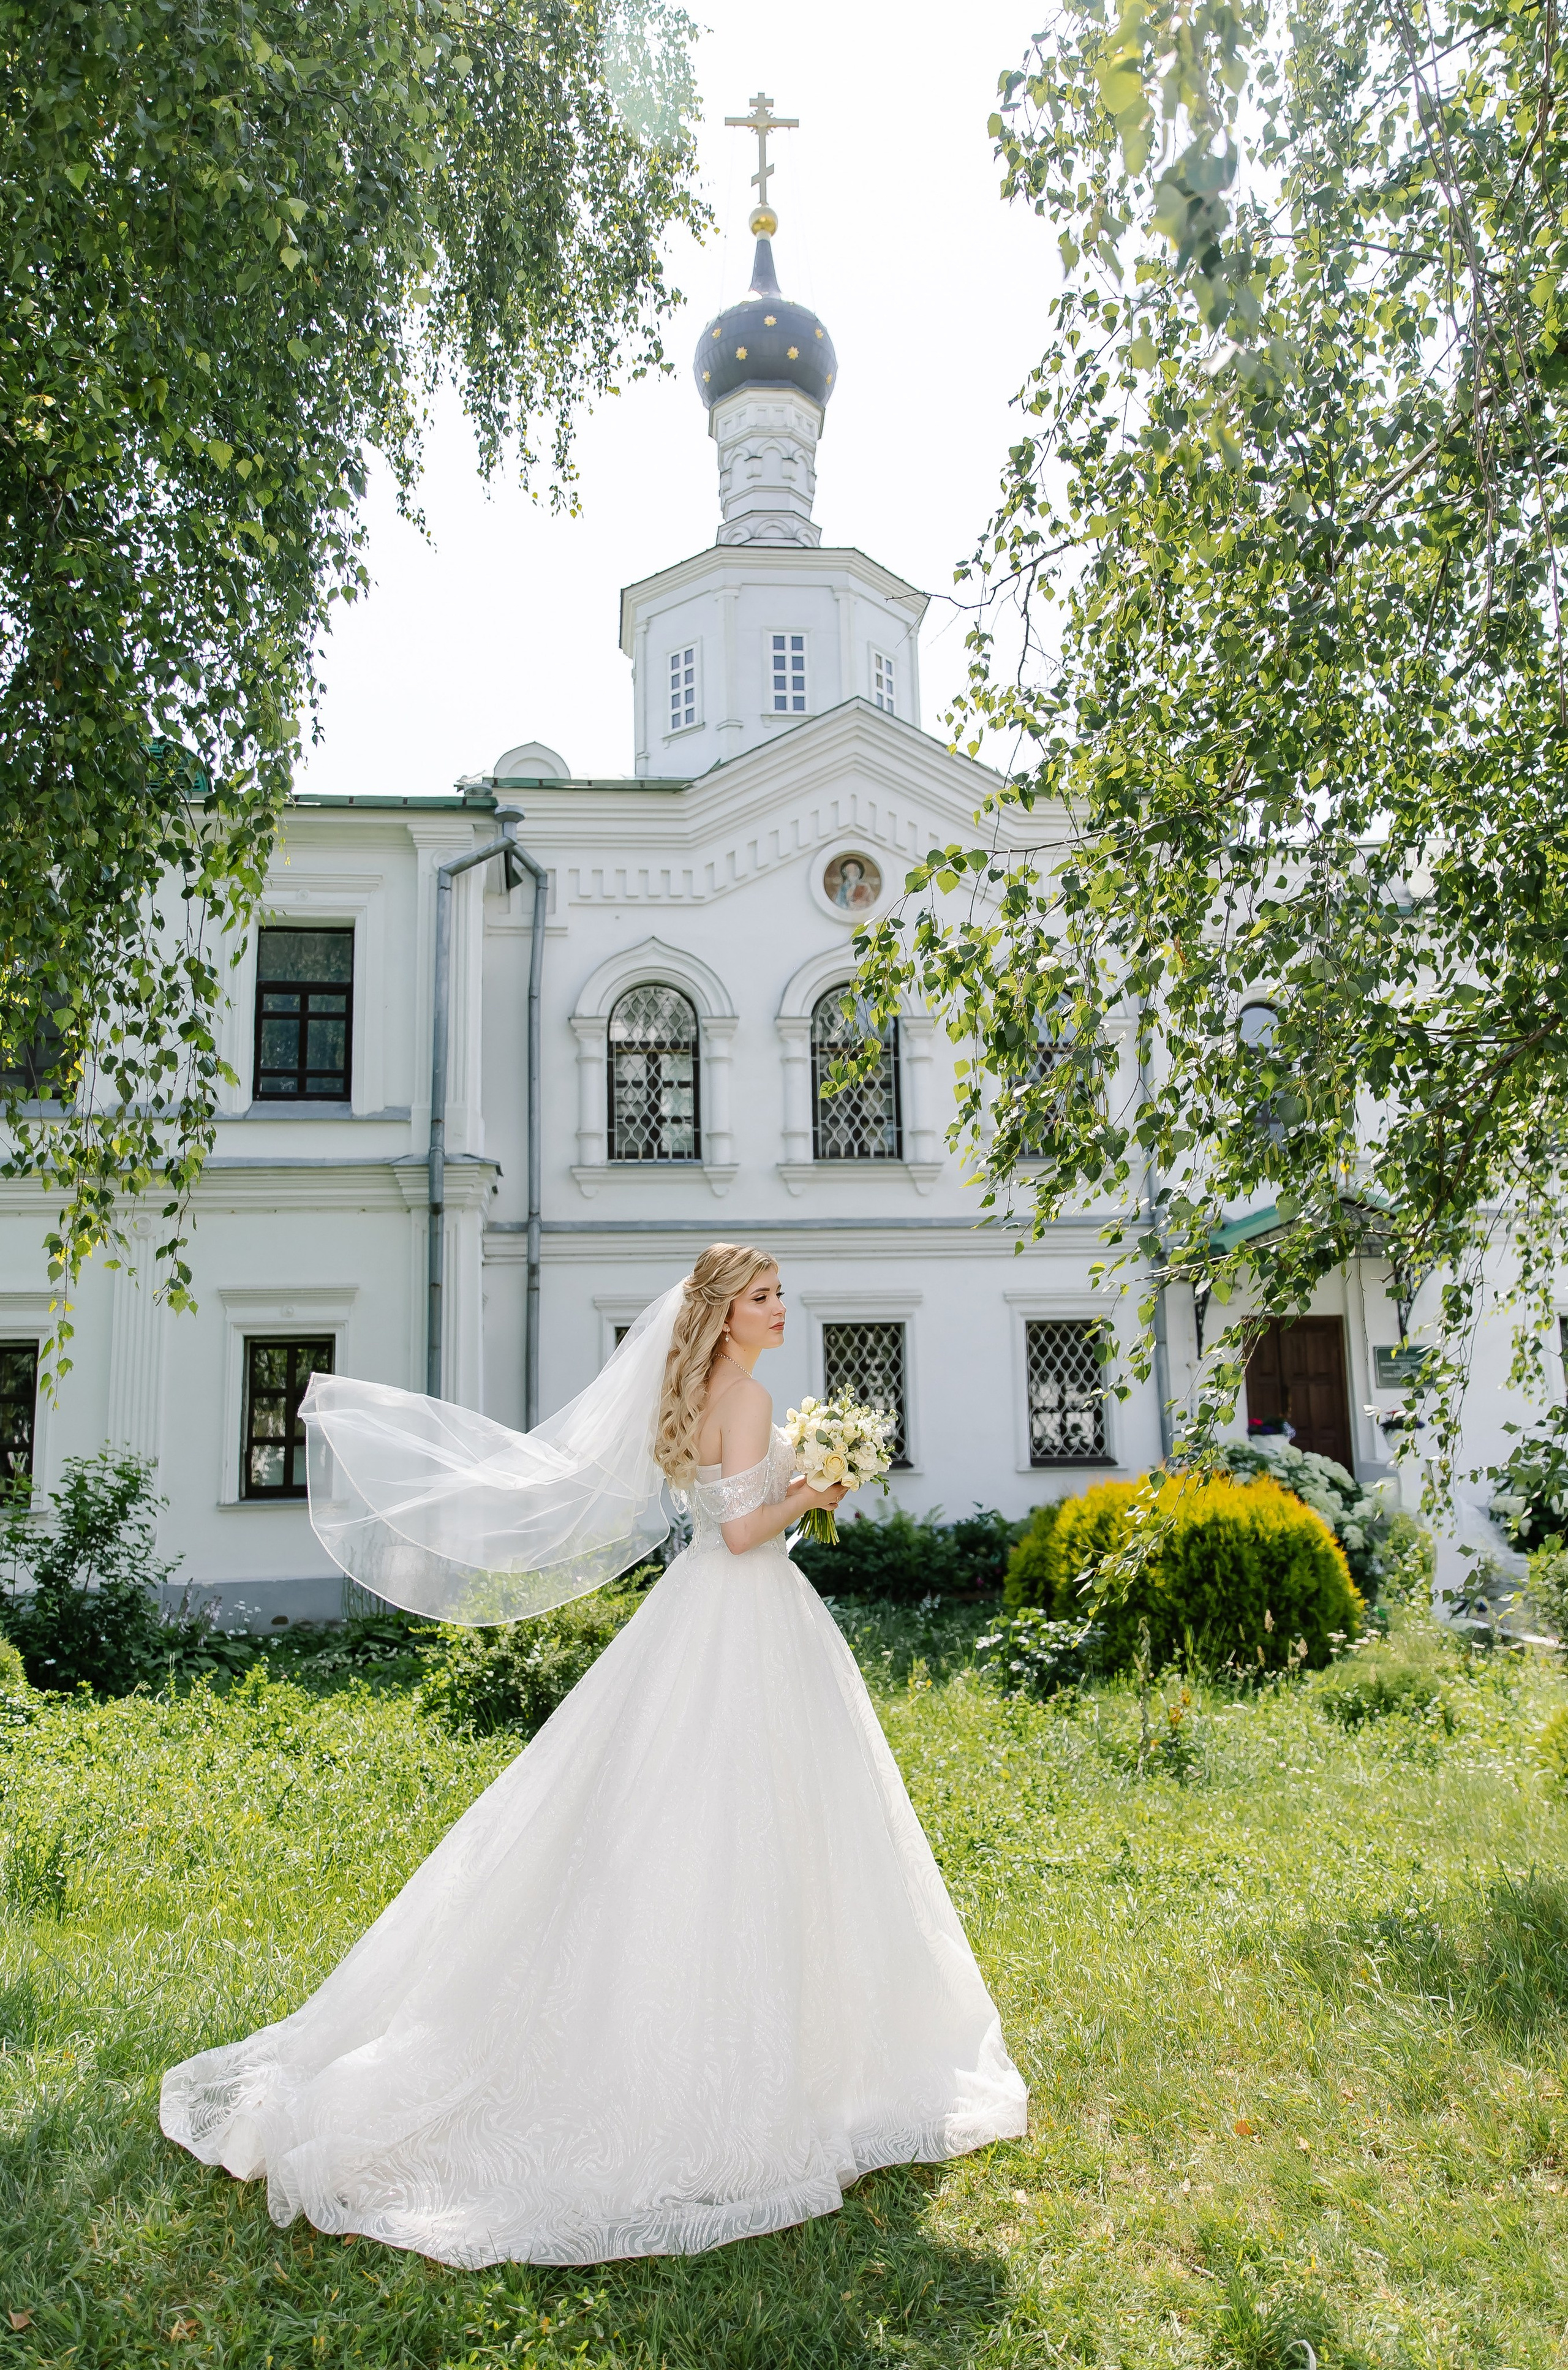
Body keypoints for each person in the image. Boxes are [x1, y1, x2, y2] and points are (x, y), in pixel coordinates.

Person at [160, 1244, 1027, 2268]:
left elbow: (715, 1519)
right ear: (724, 1312)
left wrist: (796, 1486)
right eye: (763, 1297)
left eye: (779, 1293)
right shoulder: (746, 1396)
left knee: (670, 1818)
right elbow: (747, 1532)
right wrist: (817, 1489)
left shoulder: (698, 1388)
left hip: (696, 1610)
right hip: (744, 1612)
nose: (780, 1308)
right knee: (759, 1825)